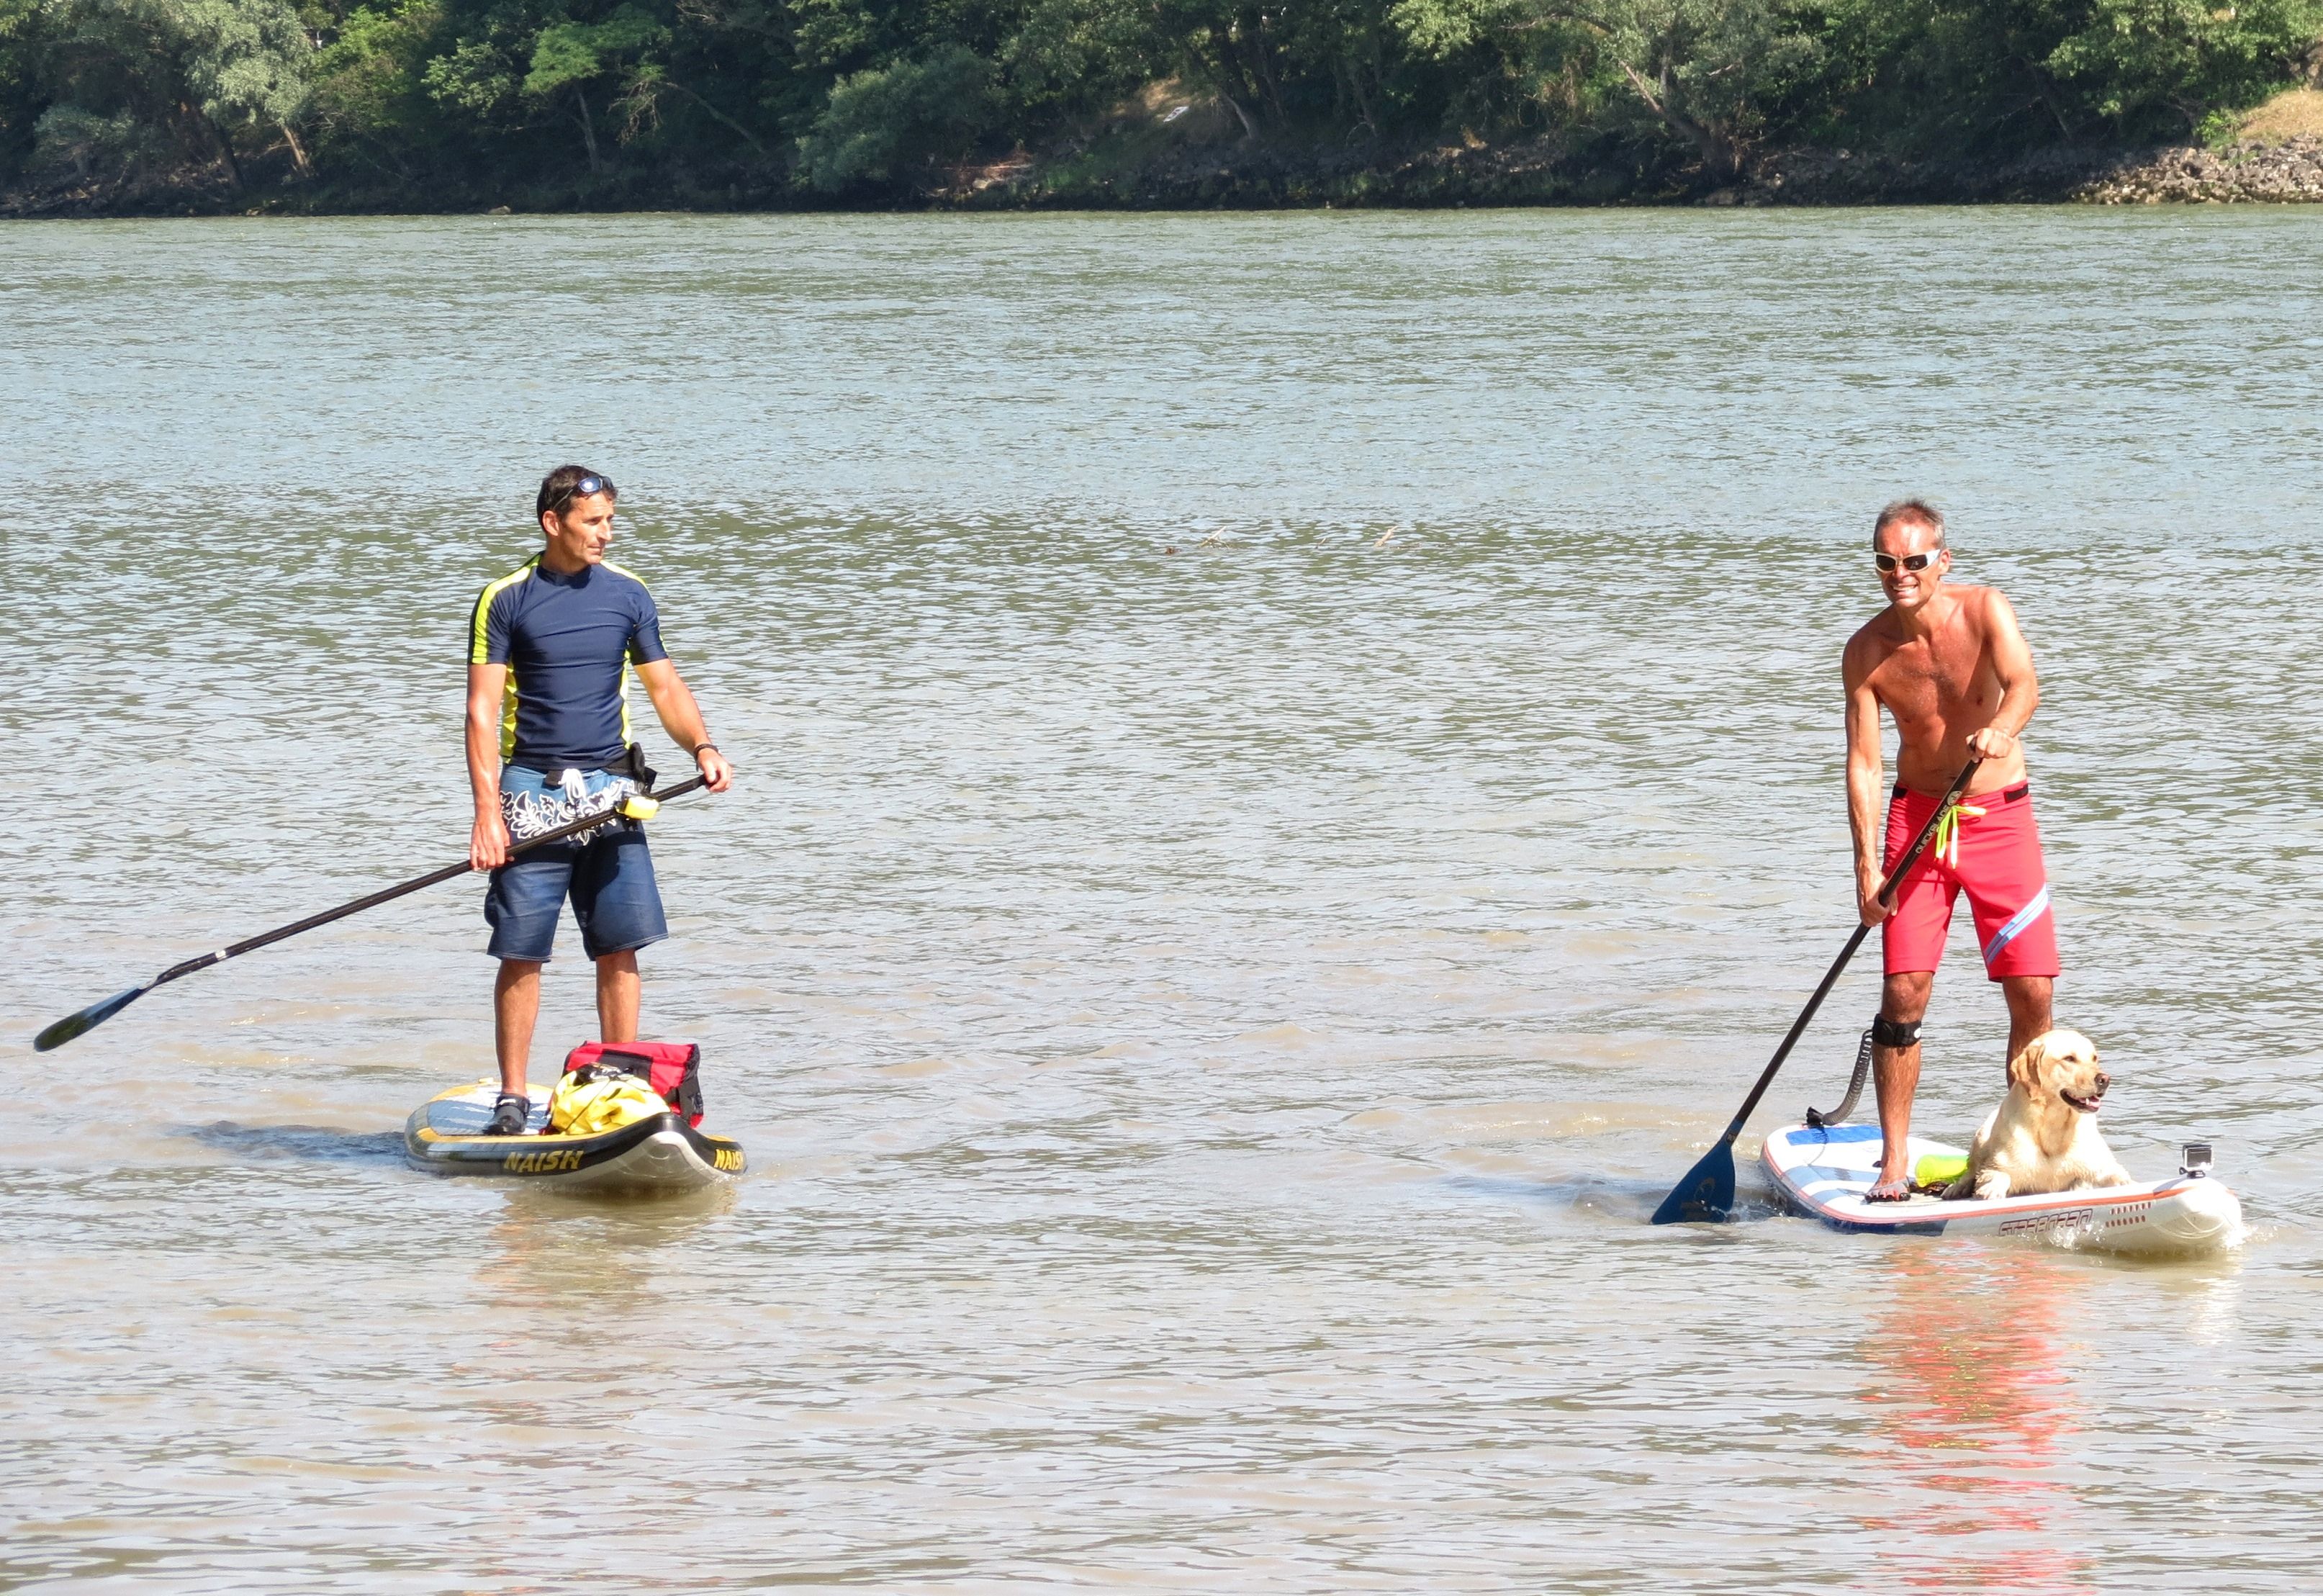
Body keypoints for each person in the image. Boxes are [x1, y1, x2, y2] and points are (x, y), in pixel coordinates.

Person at [466, 465, 734, 1135]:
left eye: (610, 520)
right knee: (522, 950)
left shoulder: (628, 595)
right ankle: (512, 1097)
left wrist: (702, 746)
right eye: (593, 522)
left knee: (620, 945)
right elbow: (480, 711)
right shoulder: (506, 598)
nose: (606, 534)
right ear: (553, 522)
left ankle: (617, 1082)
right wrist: (486, 814)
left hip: (614, 791)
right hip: (531, 789)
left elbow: (665, 687)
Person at [1842, 500, 2054, 1201]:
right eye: (1884, 561)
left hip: (1998, 819)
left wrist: (2001, 727)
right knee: (1901, 993)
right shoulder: (1866, 652)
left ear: (1941, 560)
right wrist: (1866, 868)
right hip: (1916, 826)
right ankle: (1892, 1161)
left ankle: (2029, 1153)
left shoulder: (1986, 609)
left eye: (1912, 561)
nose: (1898, 574)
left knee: (2030, 994)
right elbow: (1865, 765)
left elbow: (2024, 685)